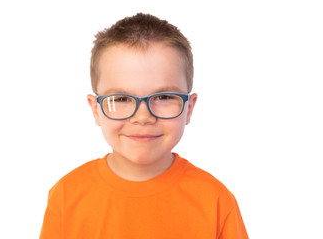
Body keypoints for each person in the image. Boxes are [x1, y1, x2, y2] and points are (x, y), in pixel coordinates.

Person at [39, 13, 248, 239]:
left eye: (163, 97)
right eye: (120, 99)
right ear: (96, 109)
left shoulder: (215, 200)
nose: (142, 117)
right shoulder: (66, 195)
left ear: (189, 108)